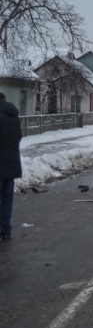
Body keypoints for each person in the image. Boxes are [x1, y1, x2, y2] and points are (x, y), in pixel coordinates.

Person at [0, 91, 22, 241]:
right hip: (12, 163)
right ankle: (5, 230)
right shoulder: (14, 117)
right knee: (7, 199)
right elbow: (19, 137)